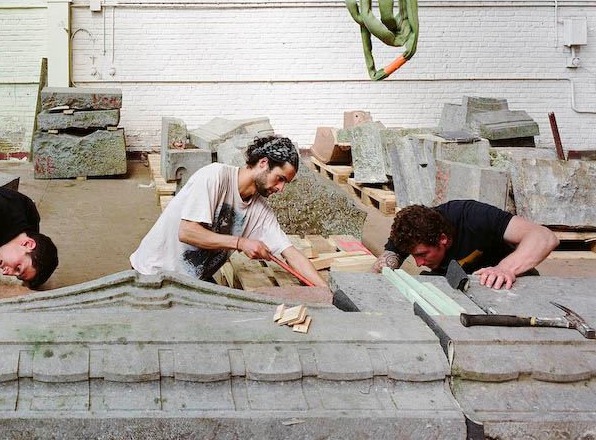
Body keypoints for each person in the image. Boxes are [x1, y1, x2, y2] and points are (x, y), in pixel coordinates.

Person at [130, 134, 325, 287]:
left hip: (191, 282)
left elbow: (290, 253)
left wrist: (327, 293)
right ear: (263, 163)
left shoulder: (260, 211)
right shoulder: (215, 176)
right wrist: (241, 243)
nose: (281, 188)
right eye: (280, 178)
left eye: (286, 183)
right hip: (153, 273)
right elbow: (187, 232)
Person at [372, 201, 558, 289]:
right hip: (459, 285)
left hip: (507, 281)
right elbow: (384, 263)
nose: (418, 263)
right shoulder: (410, 232)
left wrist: (504, 269)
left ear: (442, 239)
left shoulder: (473, 216)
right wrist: (384, 272)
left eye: (422, 255)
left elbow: (544, 237)